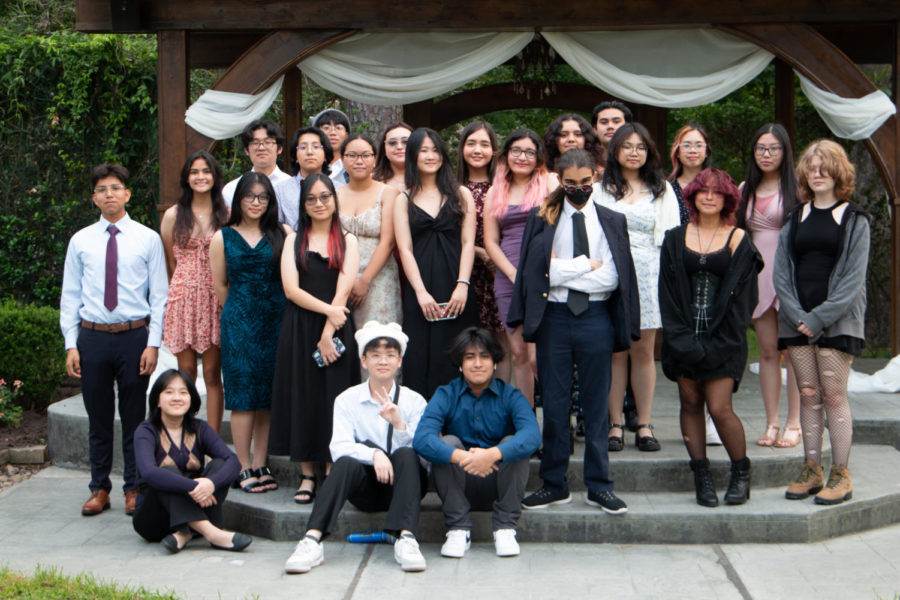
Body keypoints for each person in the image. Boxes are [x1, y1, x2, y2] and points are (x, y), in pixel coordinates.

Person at [509, 148, 640, 514]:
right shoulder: (542, 219)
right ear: (558, 180)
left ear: (595, 176)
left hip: (596, 317)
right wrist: (584, 265)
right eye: (570, 184)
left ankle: (600, 485)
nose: (579, 189)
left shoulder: (612, 220)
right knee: (553, 402)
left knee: (596, 404)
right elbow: (537, 274)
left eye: (585, 182)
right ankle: (554, 483)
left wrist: (561, 270)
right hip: (554, 319)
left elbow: (614, 277)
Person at [61, 161, 168, 517]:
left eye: (115, 188)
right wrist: (70, 343)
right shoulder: (80, 241)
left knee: (135, 417)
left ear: (127, 194)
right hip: (92, 337)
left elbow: (160, 296)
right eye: (102, 189)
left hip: (134, 336)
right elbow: (70, 295)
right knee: (98, 415)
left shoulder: (147, 239)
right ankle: (98, 487)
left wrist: (153, 343)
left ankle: (134, 487)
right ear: (94, 199)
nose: (109, 194)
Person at [284, 321, 428, 574]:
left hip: (405, 486)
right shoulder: (347, 399)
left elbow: (425, 451)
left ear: (399, 361)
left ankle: (406, 539)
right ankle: (311, 541)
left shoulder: (414, 400)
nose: (382, 361)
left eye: (390, 355)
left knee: (407, 453)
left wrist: (399, 424)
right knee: (346, 462)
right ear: (364, 361)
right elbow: (339, 447)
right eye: (375, 355)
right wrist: (374, 454)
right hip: (365, 487)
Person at [659, 168, 762, 507]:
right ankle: (701, 474)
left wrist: (717, 344)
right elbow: (668, 294)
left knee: (719, 408)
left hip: (724, 341)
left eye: (717, 193)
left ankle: (740, 472)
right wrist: (682, 340)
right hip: (683, 337)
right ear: (692, 196)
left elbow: (746, 301)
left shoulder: (738, 240)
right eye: (702, 191)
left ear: (727, 199)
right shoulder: (675, 238)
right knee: (690, 403)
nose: (708, 197)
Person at [774, 140, 869, 506]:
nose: (817, 173)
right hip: (796, 320)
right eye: (811, 168)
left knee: (832, 395)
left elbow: (852, 280)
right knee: (808, 395)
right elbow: (781, 271)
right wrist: (799, 315)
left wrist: (818, 318)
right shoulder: (794, 217)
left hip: (837, 321)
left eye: (824, 166)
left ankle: (840, 474)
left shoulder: (855, 219)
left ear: (838, 172)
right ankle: (811, 469)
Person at [269, 173, 361, 504]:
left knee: (335, 398)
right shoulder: (294, 241)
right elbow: (291, 290)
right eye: (312, 199)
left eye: (325, 197)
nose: (319, 203)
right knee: (303, 397)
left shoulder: (347, 239)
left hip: (335, 328)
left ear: (334, 200)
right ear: (303, 205)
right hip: (299, 327)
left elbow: (345, 288)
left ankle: (333, 470)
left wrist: (328, 331)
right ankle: (307, 475)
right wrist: (328, 313)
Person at [413, 327, 540, 558]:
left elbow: (533, 435)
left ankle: (505, 527)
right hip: (458, 483)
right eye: (470, 357)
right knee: (448, 443)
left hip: (500, 482)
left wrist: (492, 455)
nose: (478, 363)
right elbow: (422, 439)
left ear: (494, 362)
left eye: (484, 356)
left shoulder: (511, 395)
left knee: (516, 442)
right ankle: (458, 528)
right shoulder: (446, 394)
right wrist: (465, 457)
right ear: (460, 363)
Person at [594, 123, 679, 453]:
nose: (633, 152)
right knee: (615, 352)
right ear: (615, 149)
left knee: (644, 352)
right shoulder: (602, 188)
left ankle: (643, 423)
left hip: (648, 272)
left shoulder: (661, 189)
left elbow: (671, 236)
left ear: (649, 152)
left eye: (640, 146)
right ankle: (615, 424)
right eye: (627, 145)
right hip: (610, 273)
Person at [210, 172, 287, 493]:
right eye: (250, 196)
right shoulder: (222, 237)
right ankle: (242, 466)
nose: (256, 203)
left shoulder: (282, 233)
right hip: (239, 321)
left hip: (276, 320)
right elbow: (219, 285)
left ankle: (261, 462)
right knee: (242, 397)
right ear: (238, 199)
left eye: (263, 197)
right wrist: (242, 312)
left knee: (267, 396)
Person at [393, 128, 478, 398]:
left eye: (435, 150)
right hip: (421, 288)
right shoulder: (402, 199)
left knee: (459, 349)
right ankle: (424, 426)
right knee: (420, 353)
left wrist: (462, 285)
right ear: (413, 156)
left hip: (457, 282)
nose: (430, 156)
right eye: (423, 150)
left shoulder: (461, 194)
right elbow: (405, 249)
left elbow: (468, 243)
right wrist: (420, 293)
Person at [132, 369, 251, 553]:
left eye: (183, 392)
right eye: (169, 392)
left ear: (191, 399)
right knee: (166, 472)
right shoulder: (146, 431)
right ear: (157, 400)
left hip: (197, 509)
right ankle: (212, 533)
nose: (177, 398)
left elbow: (233, 461)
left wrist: (211, 483)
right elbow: (148, 472)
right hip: (154, 520)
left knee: (220, 465)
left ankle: (185, 533)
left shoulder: (200, 428)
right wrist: (193, 487)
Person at [737, 123, 802, 448]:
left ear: (785, 151)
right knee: (767, 353)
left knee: (794, 354)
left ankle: (794, 423)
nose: (766, 154)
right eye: (761, 148)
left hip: (792, 278)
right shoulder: (745, 187)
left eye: (774, 148)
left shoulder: (799, 188)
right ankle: (772, 423)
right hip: (758, 278)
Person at [483, 128, 556, 407]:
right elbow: (491, 241)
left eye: (529, 151)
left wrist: (538, 273)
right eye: (516, 151)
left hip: (546, 274)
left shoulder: (550, 182)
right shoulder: (495, 191)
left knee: (542, 355)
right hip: (508, 277)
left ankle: (556, 421)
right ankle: (527, 426)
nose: (522, 157)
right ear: (506, 155)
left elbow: (563, 229)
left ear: (538, 157)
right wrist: (514, 274)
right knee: (519, 354)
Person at [160, 150, 228, 432]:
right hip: (184, 298)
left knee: (212, 373)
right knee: (186, 373)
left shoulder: (227, 214)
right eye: (195, 172)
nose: (201, 177)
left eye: (206, 171)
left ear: (214, 176)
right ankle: (184, 435)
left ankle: (212, 441)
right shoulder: (173, 215)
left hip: (215, 297)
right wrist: (185, 289)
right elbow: (170, 262)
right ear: (187, 178)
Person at [457, 121, 508, 379]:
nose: (478, 150)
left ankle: (501, 401)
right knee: (468, 340)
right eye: (471, 143)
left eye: (484, 144)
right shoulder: (451, 186)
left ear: (494, 151)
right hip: (464, 272)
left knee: (501, 342)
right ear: (462, 148)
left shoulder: (504, 187)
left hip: (498, 272)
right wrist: (479, 251)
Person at [337, 133, 402, 326]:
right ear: (342, 160)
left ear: (374, 159)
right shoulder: (333, 194)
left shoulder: (388, 193)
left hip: (379, 278)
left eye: (365, 155)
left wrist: (364, 281)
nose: (359, 161)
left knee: (380, 339)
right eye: (352, 155)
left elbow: (388, 241)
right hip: (342, 278)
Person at [222, 119, 290, 208]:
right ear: (246, 150)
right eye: (255, 142)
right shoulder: (232, 189)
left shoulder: (291, 186)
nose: (261, 147)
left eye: (267, 142)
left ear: (280, 148)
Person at [276, 126, 333, 231]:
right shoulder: (280, 190)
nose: (309, 152)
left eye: (316, 147)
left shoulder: (337, 188)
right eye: (303, 147)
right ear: (296, 156)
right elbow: (276, 227)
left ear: (325, 155)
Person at [668, 123, 713, 225]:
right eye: (687, 145)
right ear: (678, 152)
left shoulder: (718, 186)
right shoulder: (668, 188)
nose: (692, 150)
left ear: (706, 152)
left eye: (698, 145)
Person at [312, 108, 351, 188]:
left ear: (347, 135)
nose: (333, 132)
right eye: (326, 128)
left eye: (339, 128)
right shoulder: (310, 164)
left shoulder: (352, 164)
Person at [373, 122, 413, 193]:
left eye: (406, 142)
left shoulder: (428, 179)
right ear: (384, 149)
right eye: (392, 143)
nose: (399, 147)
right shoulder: (371, 180)